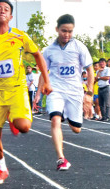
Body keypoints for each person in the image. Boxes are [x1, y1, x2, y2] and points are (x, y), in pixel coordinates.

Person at [0, 0, 51, 184]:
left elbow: (38, 55)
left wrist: (46, 81)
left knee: (24, 127)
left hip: (16, 89)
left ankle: (12, 117)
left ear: (11, 16)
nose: (2, 11)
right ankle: (1, 169)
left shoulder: (20, 36)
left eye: (6, 9)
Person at [35, 14, 93, 171]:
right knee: (54, 119)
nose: (67, 34)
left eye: (70, 31)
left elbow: (90, 69)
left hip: (74, 91)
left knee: (76, 129)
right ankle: (61, 158)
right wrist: (38, 94)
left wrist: (89, 93)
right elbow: (43, 72)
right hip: (56, 89)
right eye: (64, 31)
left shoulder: (79, 47)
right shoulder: (49, 50)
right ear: (57, 29)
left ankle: (66, 115)